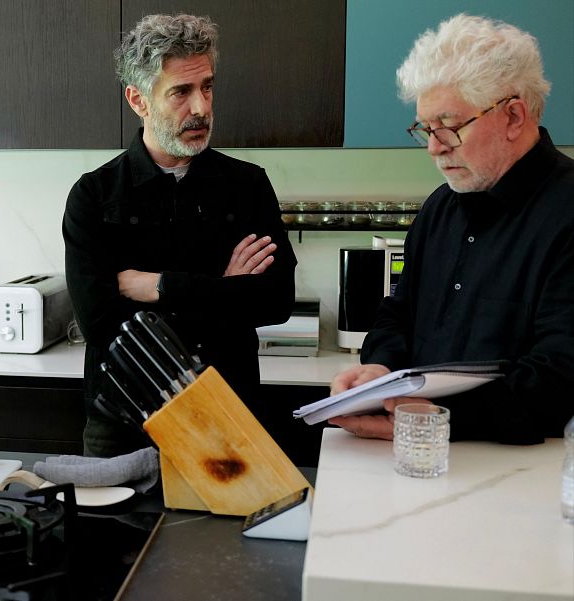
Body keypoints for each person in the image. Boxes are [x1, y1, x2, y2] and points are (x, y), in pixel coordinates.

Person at [329, 14, 574, 444]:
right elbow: (396, 315)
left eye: (449, 127)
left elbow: (559, 375)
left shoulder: (567, 211)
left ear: (513, 116)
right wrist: (380, 368)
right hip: (419, 452)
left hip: (526, 469)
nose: (433, 147)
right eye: (426, 128)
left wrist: (438, 417)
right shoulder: (440, 207)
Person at [63, 14, 296, 457]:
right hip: (125, 423)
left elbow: (276, 300)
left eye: (207, 87)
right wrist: (224, 290)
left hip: (228, 412)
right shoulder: (94, 195)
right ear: (138, 100)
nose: (201, 108)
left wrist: (160, 287)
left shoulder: (246, 185)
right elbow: (101, 325)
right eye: (181, 92)